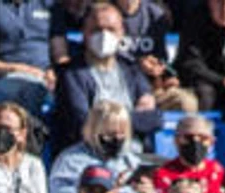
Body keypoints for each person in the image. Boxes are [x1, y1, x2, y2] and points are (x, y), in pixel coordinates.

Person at [51, 1, 159, 151]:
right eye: (96, 30)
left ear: (121, 33)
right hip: (90, 155)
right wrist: (133, 119)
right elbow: (83, 124)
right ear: (84, 33)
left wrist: (103, 121)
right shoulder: (70, 75)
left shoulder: (132, 69)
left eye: (111, 29)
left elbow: (154, 119)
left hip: (135, 155)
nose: (104, 35)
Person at [48, 99, 163, 193]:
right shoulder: (71, 162)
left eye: (121, 134)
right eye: (110, 134)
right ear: (94, 130)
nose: (116, 139)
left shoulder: (131, 162)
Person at [0, 0, 54, 117]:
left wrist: (56, 72)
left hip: (44, 75)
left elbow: (60, 54)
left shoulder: (49, 4)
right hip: (2, 74)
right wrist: (16, 68)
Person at [153, 113, 225, 193]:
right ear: (176, 141)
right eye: (188, 138)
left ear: (212, 141)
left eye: (203, 138)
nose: (195, 143)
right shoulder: (163, 174)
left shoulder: (216, 170)